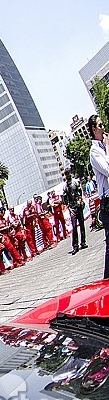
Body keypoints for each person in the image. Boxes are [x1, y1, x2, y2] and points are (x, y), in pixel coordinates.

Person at [88, 113, 109, 279]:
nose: (104, 128)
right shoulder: (95, 151)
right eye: (100, 126)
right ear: (94, 129)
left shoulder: (103, 147)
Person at [63, 168, 88, 255]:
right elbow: (65, 199)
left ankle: (83, 242)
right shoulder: (65, 186)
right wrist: (69, 208)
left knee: (82, 224)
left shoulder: (76, 182)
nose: (67, 175)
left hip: (78, 206)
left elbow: (80, 192)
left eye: (68, 173)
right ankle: (75, 246)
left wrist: (80, 201)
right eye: (66, 174)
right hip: (72, 208)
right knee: (74, 227)